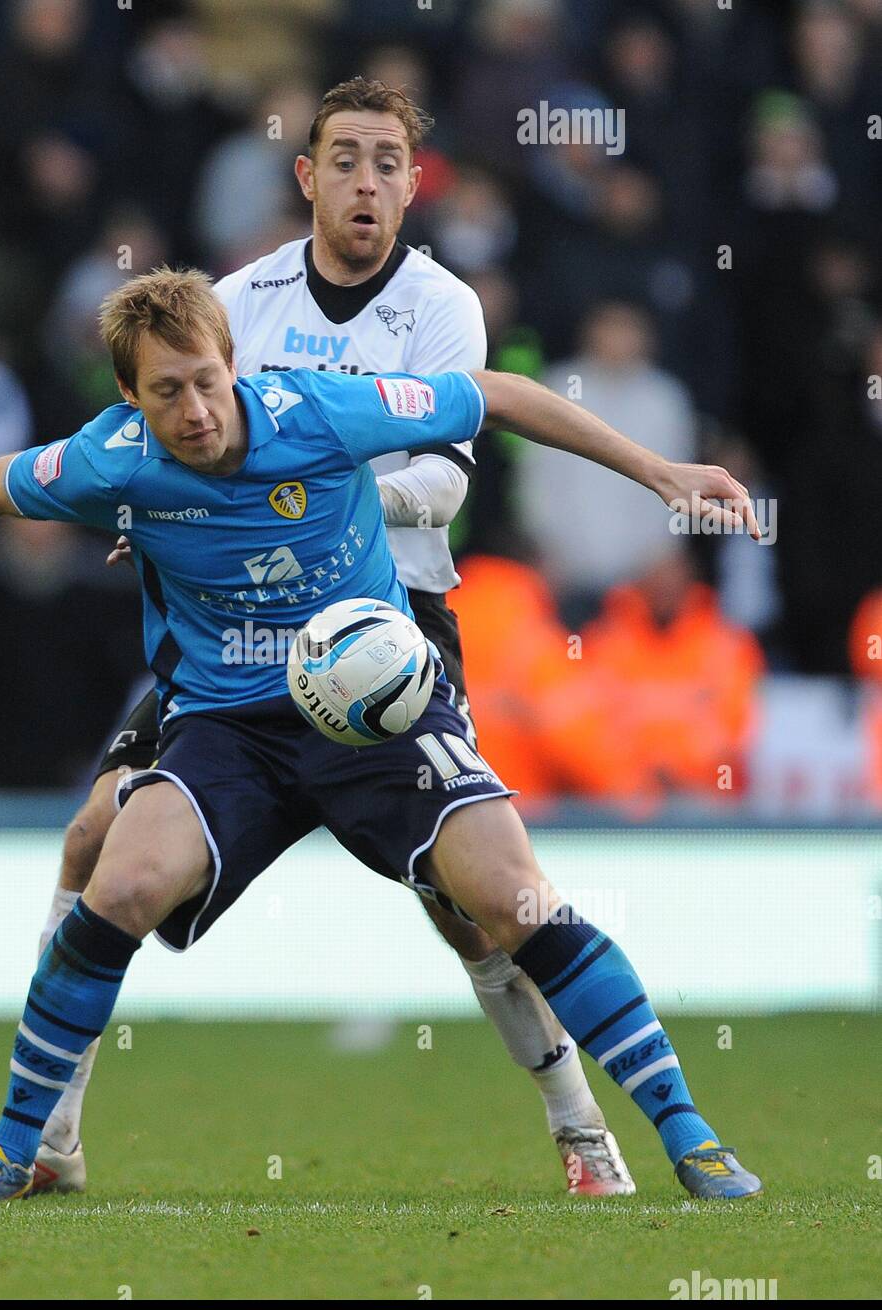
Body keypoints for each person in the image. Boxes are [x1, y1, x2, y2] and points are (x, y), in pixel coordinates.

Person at [0, 266, 764, 1204]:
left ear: (233, 365)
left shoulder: (320, 413)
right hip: (227, 726)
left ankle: (688, 1135)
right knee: (117, 880)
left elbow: (495, 394)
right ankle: (12, 1149)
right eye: (167, 392)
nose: (197, 410)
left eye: (208, 381)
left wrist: (655, 468)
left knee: (509, 896)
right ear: (131, 396)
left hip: (378, 715)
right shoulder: (113, 458)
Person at [35, 79, 636, 1198]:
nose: (366, 182)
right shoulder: (232, 301)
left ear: (413, 184)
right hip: (236, 633)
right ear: (306, 177)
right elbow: (168, 442)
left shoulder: (444, 306)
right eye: (344, 160)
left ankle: (579, 1125)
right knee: (91, 840)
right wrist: (154, 513)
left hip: (387, 629)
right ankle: (48, 1143)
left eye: (387, 163)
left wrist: (304, 491)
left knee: (472, 909)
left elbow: (442, 490)